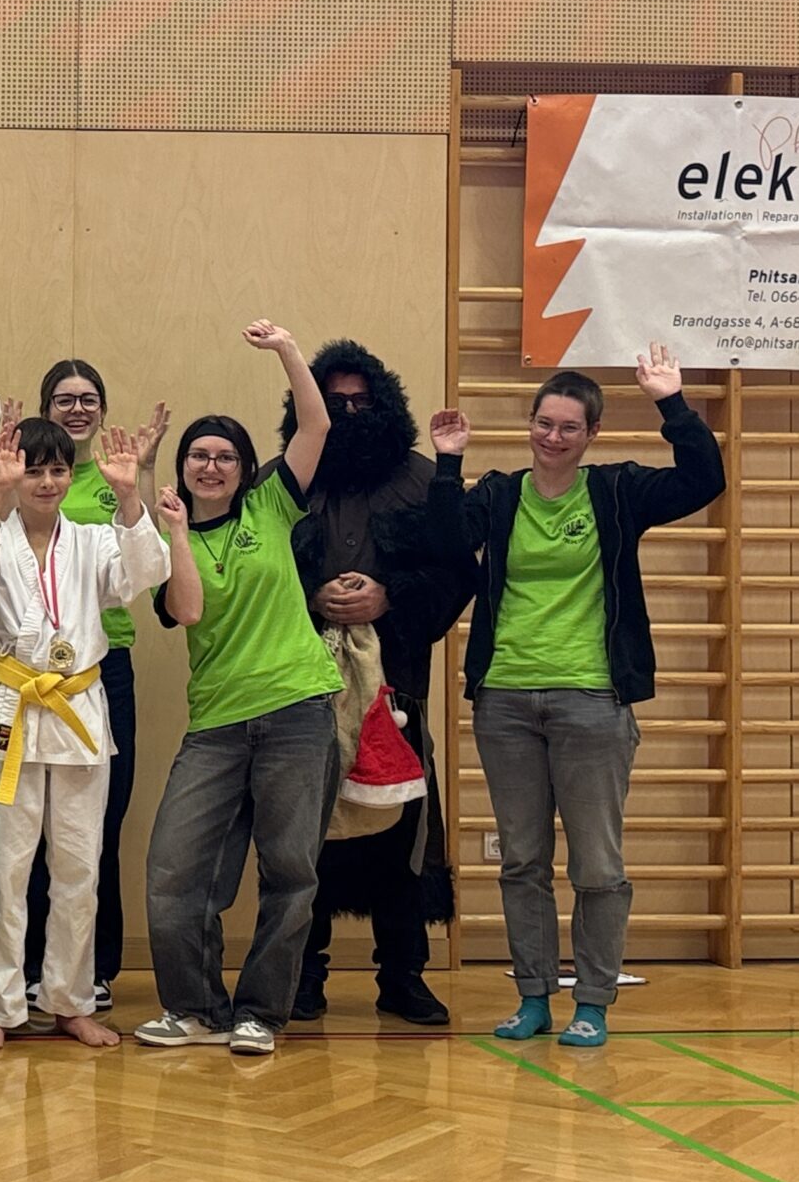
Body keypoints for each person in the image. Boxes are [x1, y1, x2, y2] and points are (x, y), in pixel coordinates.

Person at [427, 344, 721, 1048]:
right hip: (505, 702)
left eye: (567, 427)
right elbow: (443, 544)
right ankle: (534, 996)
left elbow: (703, 479)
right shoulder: (498, 495)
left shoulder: (616, 490)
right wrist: (446, 463)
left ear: (590, 436)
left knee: (597, 865)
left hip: (593, 700)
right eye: (543, 423)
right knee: (522, 860)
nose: (552, 437)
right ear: (529, 424)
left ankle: (592, 1001)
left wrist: (671, 403)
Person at [137, 321, 342, 1057]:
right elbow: (186, 609)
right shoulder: (169, 540)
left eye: (225, 456)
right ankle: (194, 1010)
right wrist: (179, 534)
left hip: (297, 711)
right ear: (184, 468)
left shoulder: (271, 506)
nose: (212, 466)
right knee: (174, 870)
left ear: (245, 467)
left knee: (289, 870)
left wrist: (290, 349)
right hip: (218, 726)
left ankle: (262, 1013)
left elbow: (315, 422)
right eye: (199, 456)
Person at [0, 413, 167, 1050]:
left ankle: (70, 999)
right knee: (4, 865)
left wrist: (129, 496)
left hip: (76, 710)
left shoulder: (95, 538)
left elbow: (142, 575)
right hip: (17, 708)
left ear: (72, 475)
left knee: (78, 865)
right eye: (33, 469)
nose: (45, 481)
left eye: (57, 469)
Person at [269, 340, 471, 1027]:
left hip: (398, 686)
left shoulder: (421, 481)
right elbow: (253, 580)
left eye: (361, 402)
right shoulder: (285, 483)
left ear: (383, 405)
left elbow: (455, 574)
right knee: (309, 830)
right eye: (334, 404)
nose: (350, 414)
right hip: (303, 685)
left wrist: (391, 597)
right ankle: (303, 971)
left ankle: (403, 974)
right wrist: (311, 596)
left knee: (403, 832)